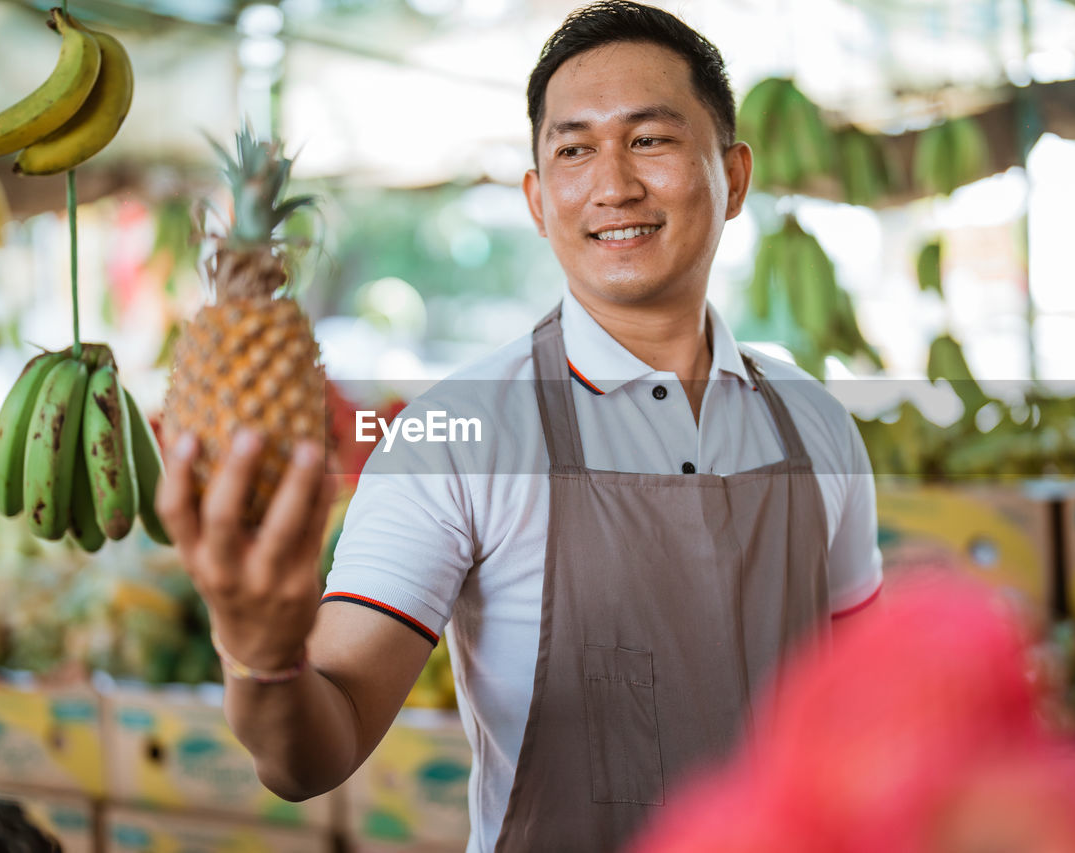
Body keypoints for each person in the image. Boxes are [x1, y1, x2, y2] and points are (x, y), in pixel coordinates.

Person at [157, 3, 883, 851]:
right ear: (539, 201)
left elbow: (867, 707)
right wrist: (261, 655)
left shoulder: (817, 426)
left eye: (649, 139)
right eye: (574, 150)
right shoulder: (456, 434)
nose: (613, 184)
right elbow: (313, 751)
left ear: (734, 176)